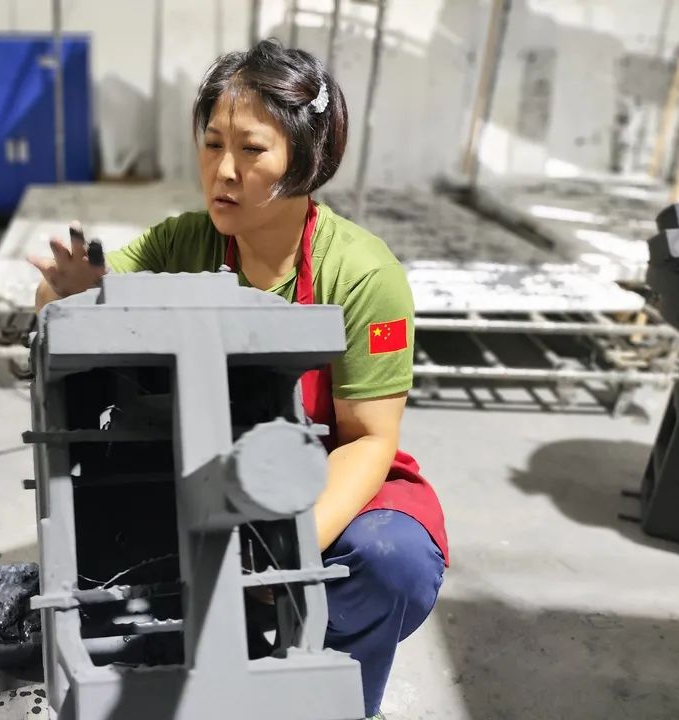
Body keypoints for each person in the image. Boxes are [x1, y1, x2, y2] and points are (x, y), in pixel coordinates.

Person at [29, 39, 449, 720]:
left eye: (252, 150)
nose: (223, 171)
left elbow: (368, 439)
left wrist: (282, 559)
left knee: (388, 560)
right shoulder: (179, 245)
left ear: (307, 158)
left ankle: (331, 701)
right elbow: (63, 312)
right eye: (212, 144)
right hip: (200, 474)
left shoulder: (363, 275)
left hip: (316, 480)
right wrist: (69, 294)